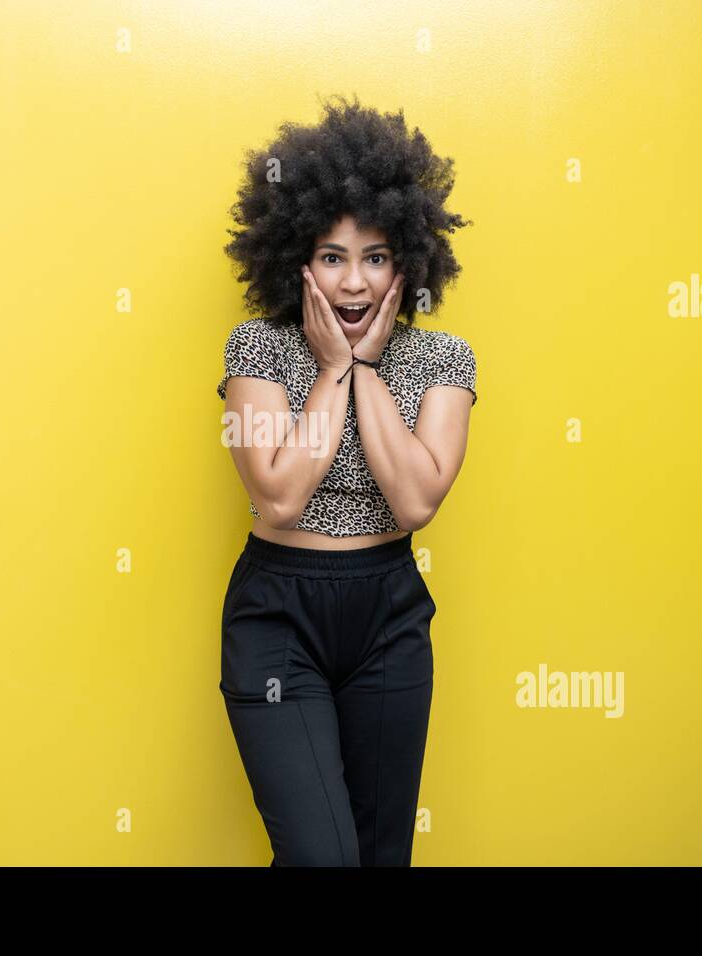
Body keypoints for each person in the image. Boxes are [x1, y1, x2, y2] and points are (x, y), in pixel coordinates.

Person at [217, 94, 477, 866]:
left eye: (375, 257)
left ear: (407, 262)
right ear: (297, 261)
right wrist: (335, 367)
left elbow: (416, 500)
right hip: (277, 616)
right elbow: (278, 494)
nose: (354, 282)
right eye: (333, 257)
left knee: (379, 856)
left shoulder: (443, 361)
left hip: (389, 617)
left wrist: (365, 371)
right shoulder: (256, 350)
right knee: (321, 857)